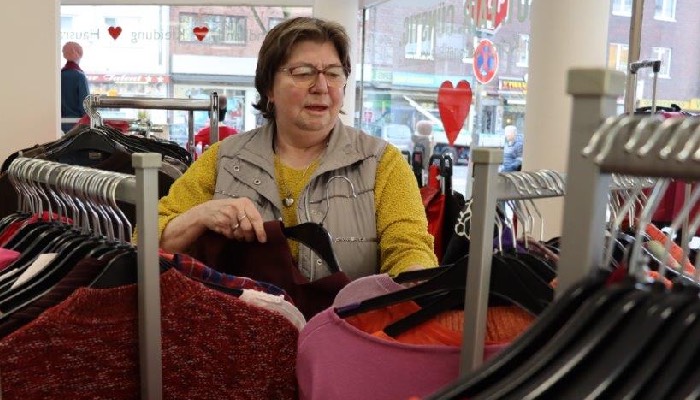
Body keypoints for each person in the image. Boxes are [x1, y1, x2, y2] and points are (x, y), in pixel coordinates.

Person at [157, 17, 437, 280]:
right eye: (303, 73)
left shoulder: (381, 163)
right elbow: (147, 240)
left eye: (334, 73)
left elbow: (409, 245)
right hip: (239, 329)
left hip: (344, 329)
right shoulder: (223, 159)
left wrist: (414, 279)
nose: (322, 86)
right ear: (269, 88)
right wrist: (201, 215)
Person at [60, 41, 90, 133]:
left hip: (59, 124)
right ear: (79, 55)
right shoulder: (79, 76)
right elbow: (85, 104)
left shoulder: (59, 75)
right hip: (77, 125)